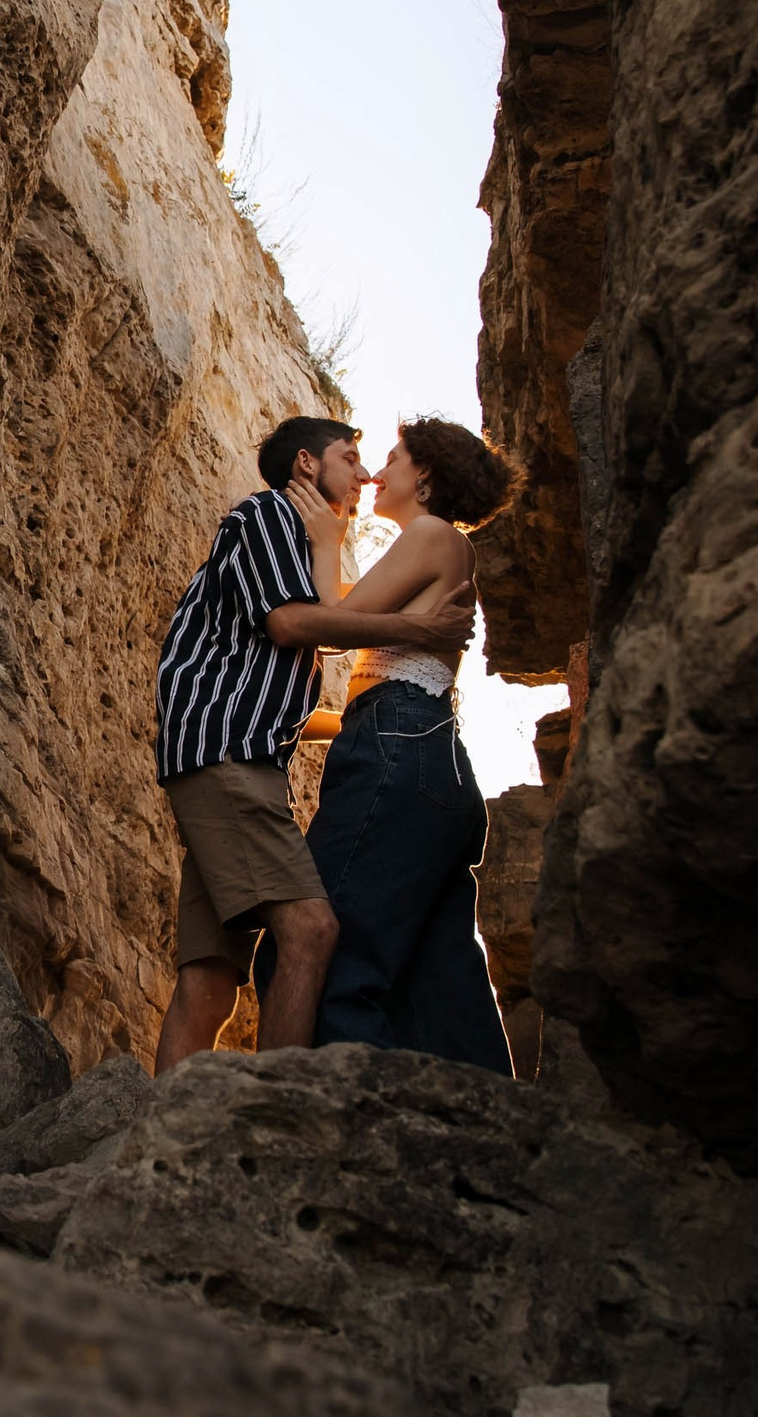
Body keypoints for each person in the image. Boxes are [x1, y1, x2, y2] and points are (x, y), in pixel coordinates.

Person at [152, 417, 477, 1070]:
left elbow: (283, 685)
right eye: (351, 459)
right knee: (311, 929)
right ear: (305, 464)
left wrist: (350, 717)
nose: (365, 475)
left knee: (210, 976)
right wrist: (417, 627)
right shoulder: (273, 516)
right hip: (229, 758)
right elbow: (293, 623)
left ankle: (167, 1122)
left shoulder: (299, 545)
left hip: (231, 753)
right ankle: (279, 1111)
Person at [279, 416, 521, 1071]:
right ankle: (492, 1133)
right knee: (444, 987)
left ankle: (341, 1131)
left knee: (333, 950)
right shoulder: (443, 549)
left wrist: (328, 537)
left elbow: (338, 619)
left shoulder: (432, 533)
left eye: (392, 458)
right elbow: (383, 683)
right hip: (431, 764)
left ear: (427, 475)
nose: (377, 473)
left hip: (399, 753)